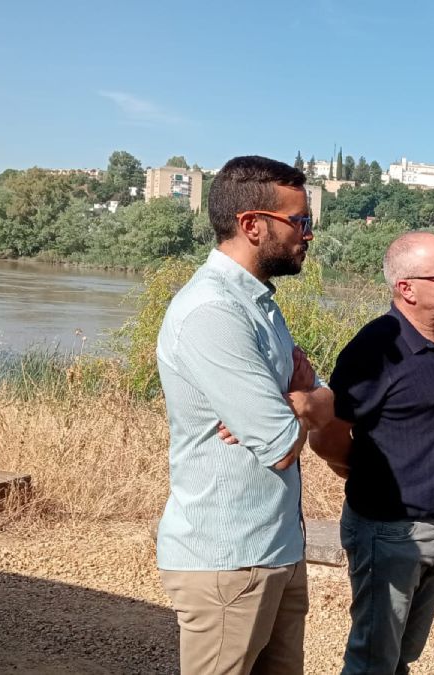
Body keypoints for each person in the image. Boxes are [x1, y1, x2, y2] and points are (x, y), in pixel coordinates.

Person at [155, 155, 333, 675]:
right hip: (229, 559)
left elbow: (317, 401)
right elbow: (280, 445)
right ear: (253, 225)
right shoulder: (213, 311)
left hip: (275, 547)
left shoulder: (257, 303)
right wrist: (300, 405)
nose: (308, 234)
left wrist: (301, 401)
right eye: (299, 221)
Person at [310, 231, 434, 675]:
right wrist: (362, 471)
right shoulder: (377, 347)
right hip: (386, 530)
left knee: (401, 655)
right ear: (406, 288)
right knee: (372, 661)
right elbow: (325, 434)